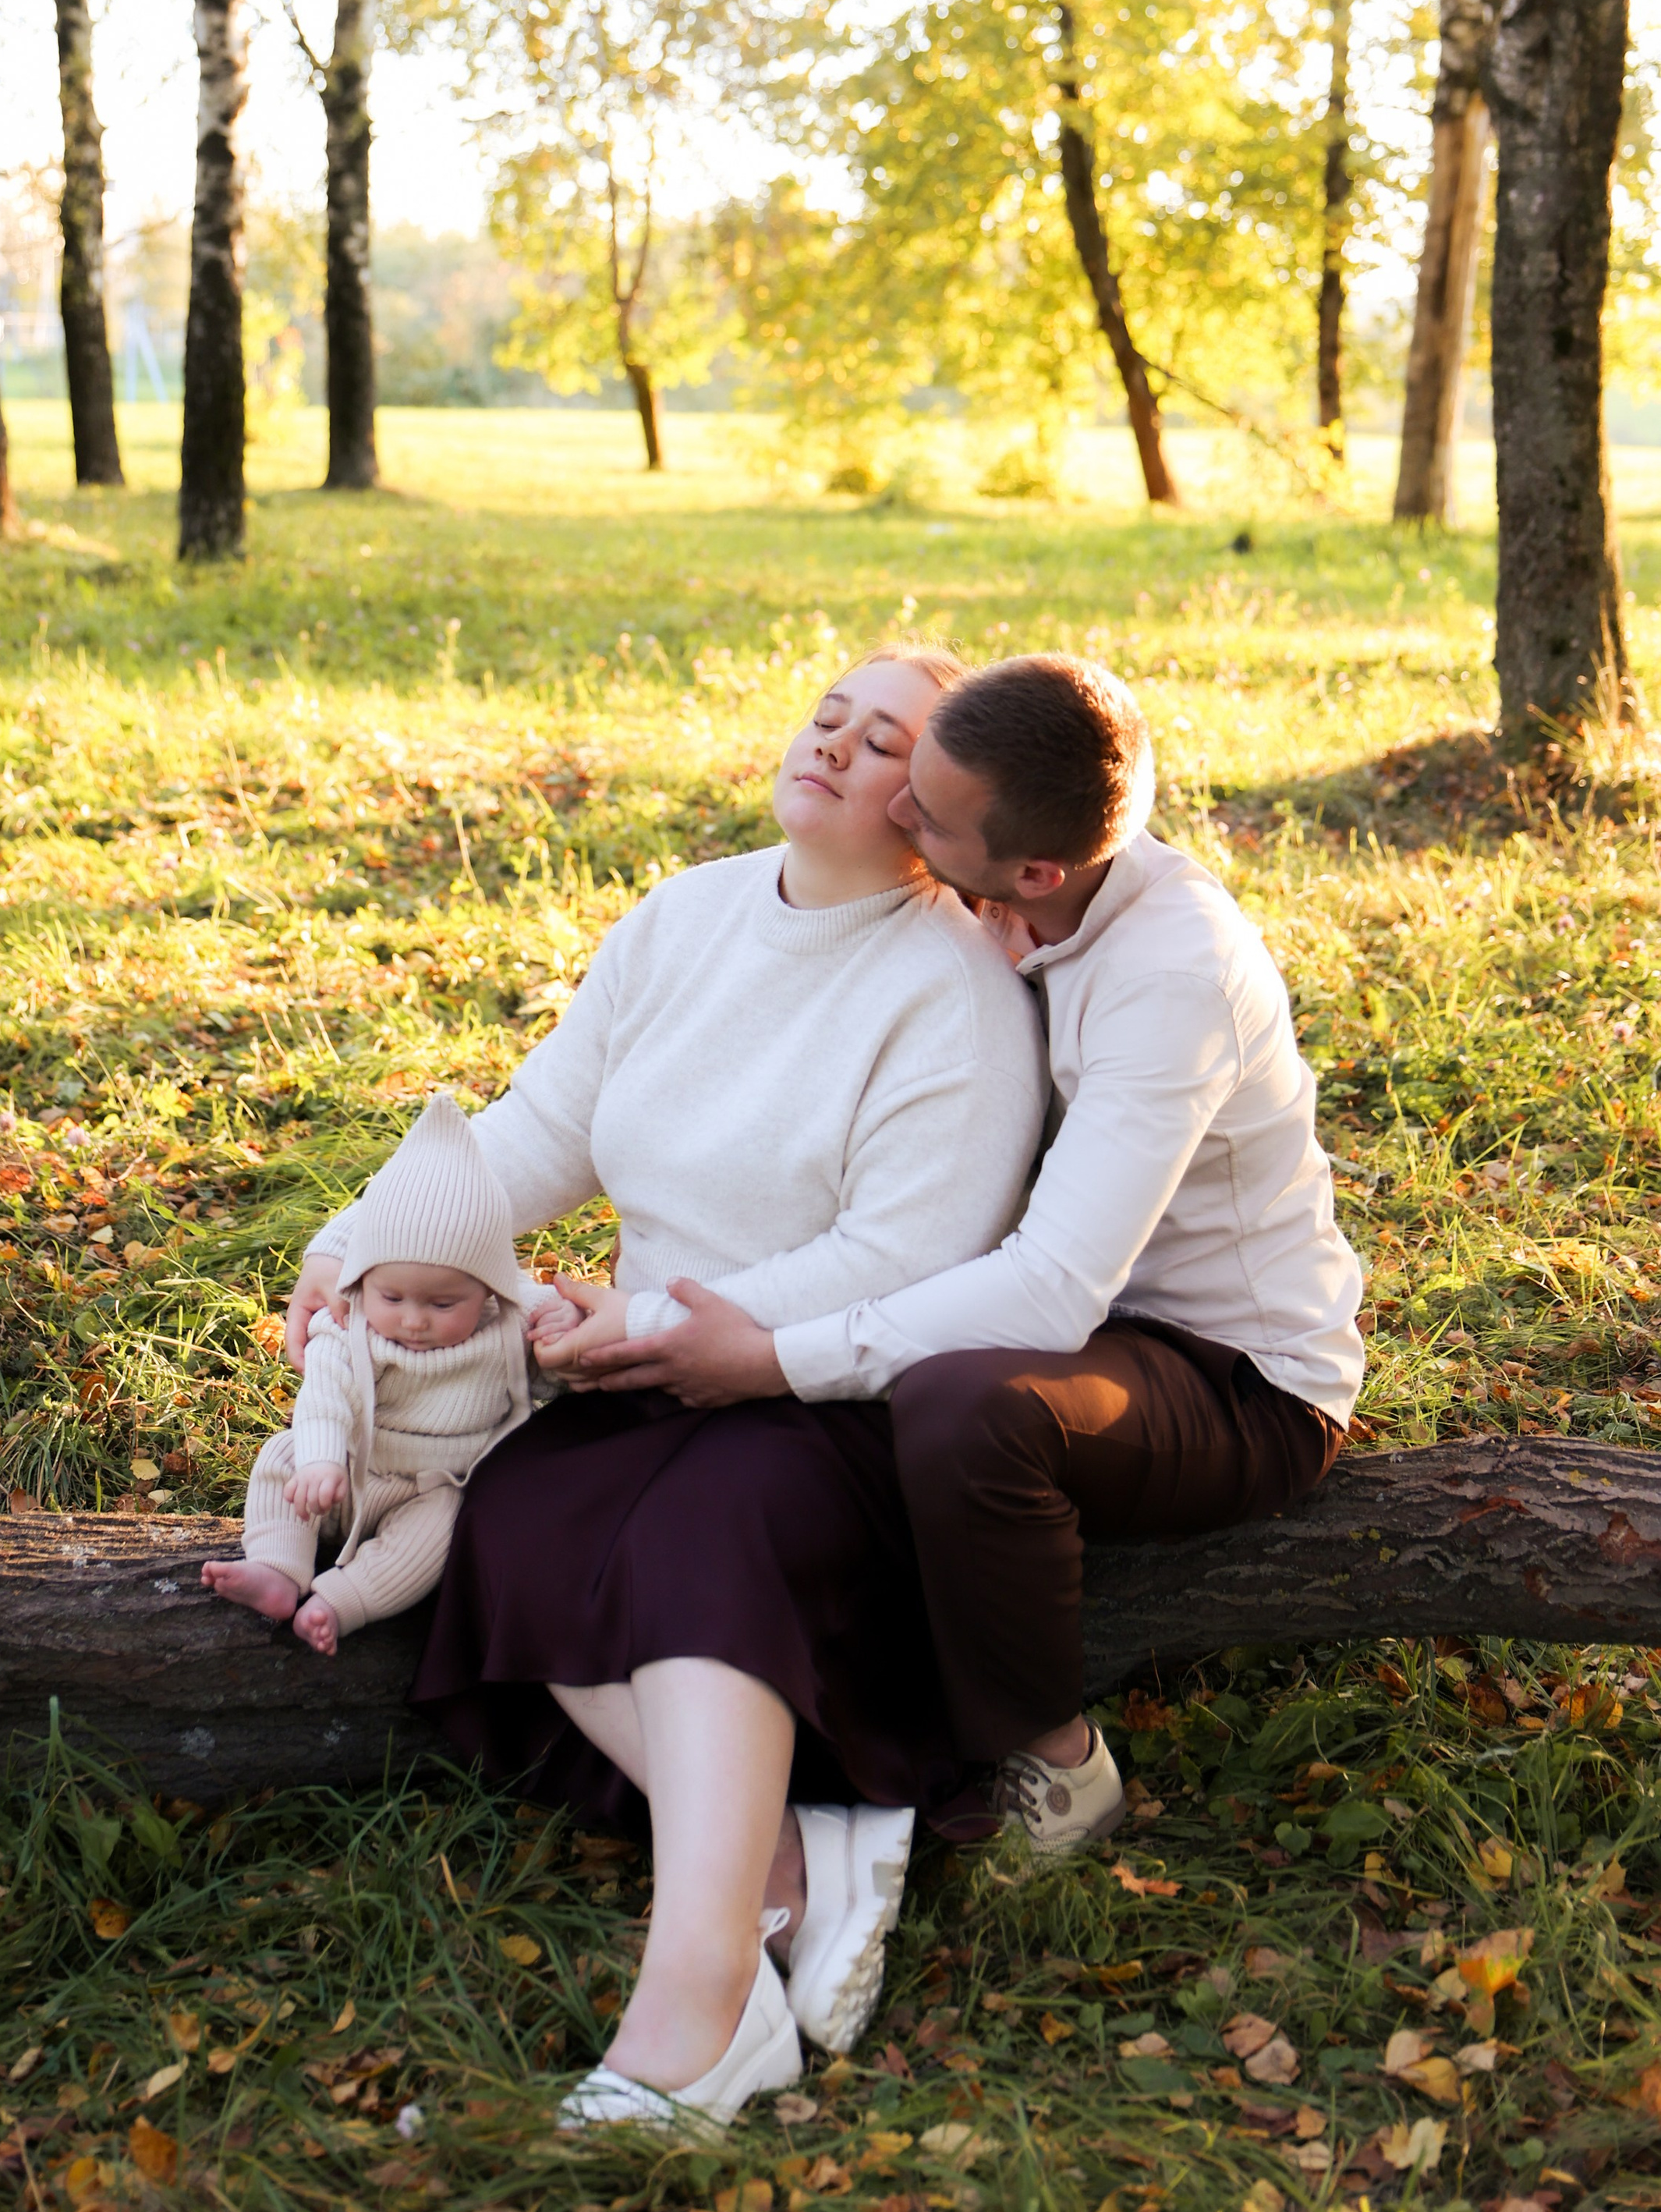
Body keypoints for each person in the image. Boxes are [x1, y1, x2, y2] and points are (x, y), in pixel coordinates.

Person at [284, 645, 1049, 2127]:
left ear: (942, 806)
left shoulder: (949, 994)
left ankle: (698, 2009)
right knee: (505, 1513)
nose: (831, 745)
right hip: (643, 1377)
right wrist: (355, 1241)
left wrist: (650, 1315)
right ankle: (788, 1863)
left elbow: (909, 1254)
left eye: (883, 740)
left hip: (844, 1403)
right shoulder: (687, 917)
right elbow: (539, 1131)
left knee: (710, 1530)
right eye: (828, 713)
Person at [584, 650, 1364, 1859]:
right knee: (884, 1408)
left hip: (1232, 1375)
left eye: (928, 817)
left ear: (1036, 868)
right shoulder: (1037, 889)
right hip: (1100, 1324)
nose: (897, 810)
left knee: (960, 1402)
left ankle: (1057, 1762)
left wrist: (779, 1356)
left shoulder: (1172, 978)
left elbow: (1051, 1292)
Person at [201, 1094, 538, 1653]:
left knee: (445, 1526)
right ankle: (278, 1569)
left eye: (443, 1304)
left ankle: (345, 1600)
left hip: (427, 1488)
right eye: (392, 1295)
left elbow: (557, 1375)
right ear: (362, 1278)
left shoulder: (509, 1330)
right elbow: (324, 1398)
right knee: (282, 1455)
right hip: (341, 1473)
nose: (412, 1320)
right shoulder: (348, 1325)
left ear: (489, 1292)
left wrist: (564, 1344)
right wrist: (321, 1457)